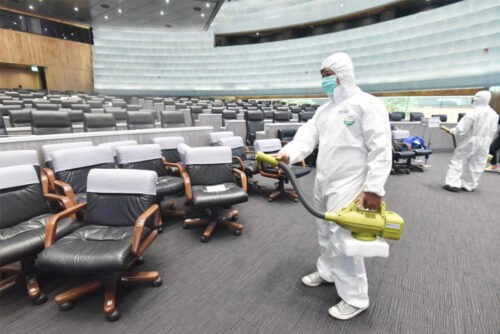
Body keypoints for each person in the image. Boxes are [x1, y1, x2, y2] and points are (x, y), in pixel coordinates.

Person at [273, 52, 392, 320]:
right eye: (322, 76)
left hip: (351, 183)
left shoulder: (367, 105)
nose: (325, 81)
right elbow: (307, 136)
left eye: (328, 75)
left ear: (343, 74)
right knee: (324, 232)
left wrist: (374, 189)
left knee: (343, 239)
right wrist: (289, 153)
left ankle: (355, 297)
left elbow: (381, 149)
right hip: (324, 180)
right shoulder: (324, 110)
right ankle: (327, 272)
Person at [444, 91, 499, 192]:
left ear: (477, 99)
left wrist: (452, 131)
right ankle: (469, 185)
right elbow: (493, 130)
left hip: (472, 140)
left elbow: (461, 129)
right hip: (486, 141)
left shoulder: (474, 112)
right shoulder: (494, 114)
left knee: (458, 159)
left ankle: (453, 184)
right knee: (478, 163)